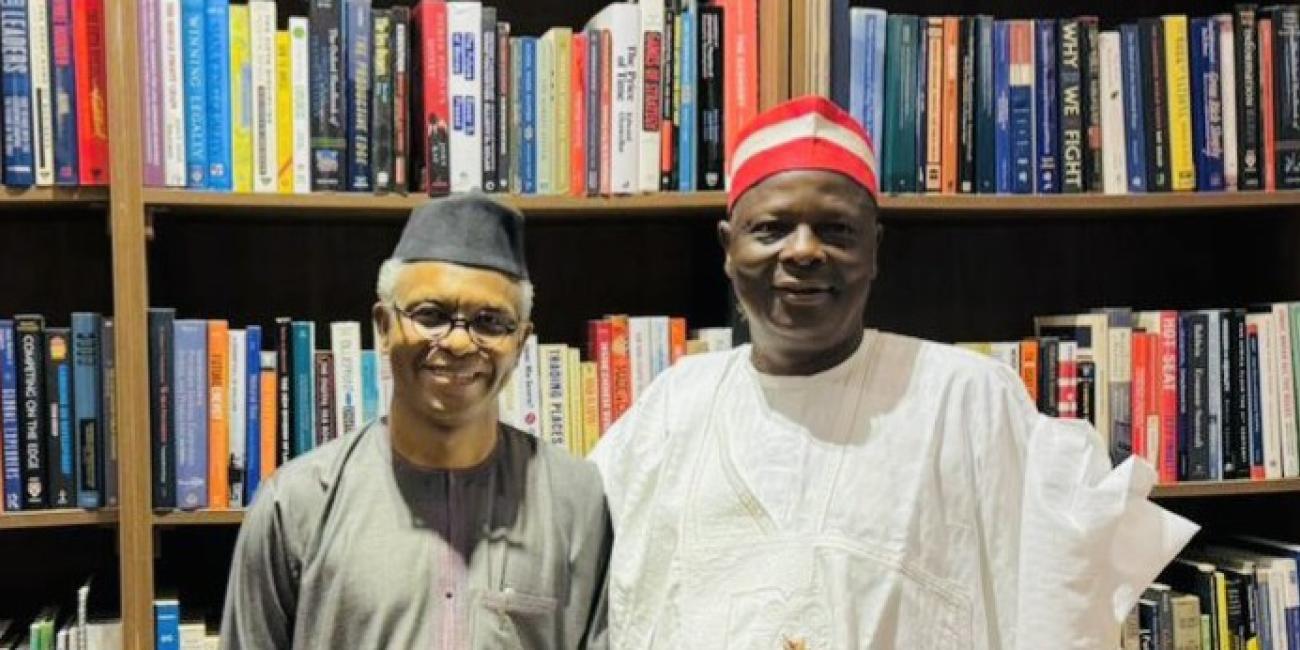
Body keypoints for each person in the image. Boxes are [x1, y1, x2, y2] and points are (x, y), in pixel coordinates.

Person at [589, 96, 1197, 649]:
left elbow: (1062, 592)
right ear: (728, 248)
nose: (803, 251)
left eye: (836, 231)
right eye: (771, 229)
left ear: (874, 249)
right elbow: (584, 564)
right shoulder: (674, 406)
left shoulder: (966, 400)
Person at [221, 195, 610, 649]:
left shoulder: (575, 502)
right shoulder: (296, 504)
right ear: (383, 326)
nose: (459, 343)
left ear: (521, 343)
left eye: (490, 322)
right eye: (431, 315)